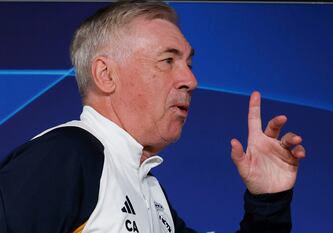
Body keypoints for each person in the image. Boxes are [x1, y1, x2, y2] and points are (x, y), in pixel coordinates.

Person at [0, 1, 306, 232]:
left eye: (188, 63)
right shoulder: (65, 155)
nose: (191, 79)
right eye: (168, 60)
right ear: (106, 75)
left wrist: (268, 201)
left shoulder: (148, 189)